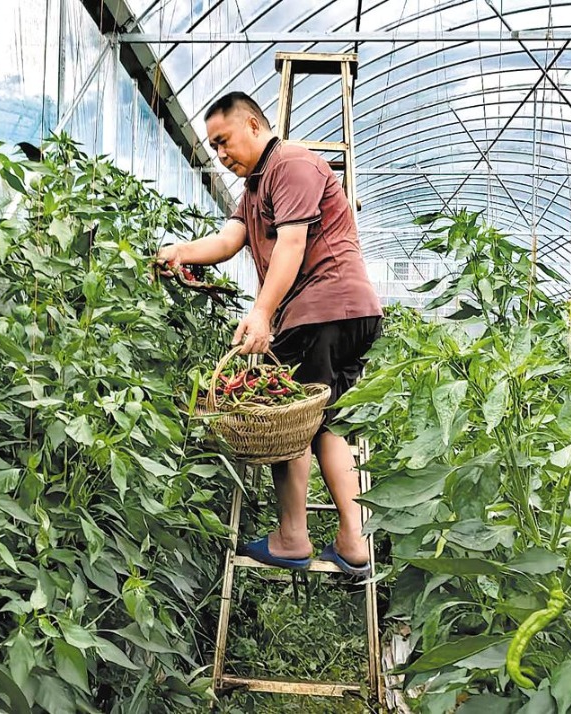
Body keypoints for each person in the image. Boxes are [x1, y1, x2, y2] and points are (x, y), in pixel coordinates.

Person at [157, 91, 383, 575]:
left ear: (255, 126)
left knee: (284, 425)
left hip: (320, 310)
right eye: (212, 147)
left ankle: (291, 538)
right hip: (348, 313)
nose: (220, 154)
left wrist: (262, 313)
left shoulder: (292, 165)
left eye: (224, 141)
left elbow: (293, 244)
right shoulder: (255, 190)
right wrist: (180, 251)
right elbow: (227, 240)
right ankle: (352, 542)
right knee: (325, 420)